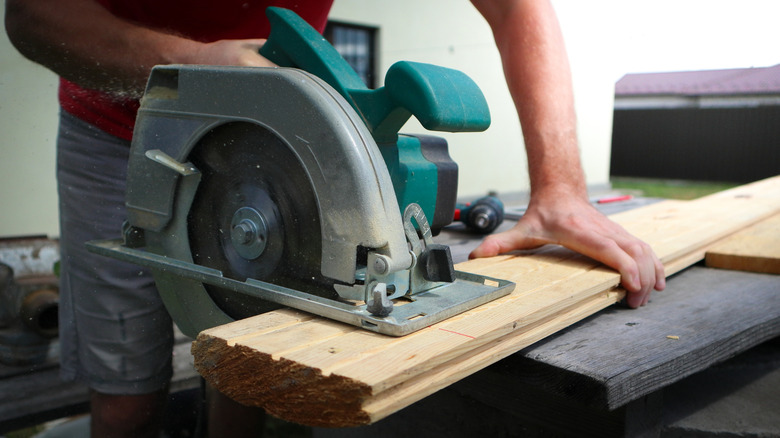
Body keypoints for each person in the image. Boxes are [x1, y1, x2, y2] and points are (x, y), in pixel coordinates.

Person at [5, 0, 665, 437]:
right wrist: (210, 66)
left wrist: (561, 188)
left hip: (274, 127)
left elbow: (518, 8)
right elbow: (33, 15)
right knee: (124, 397)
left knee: (250, 356)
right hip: (111, 118)